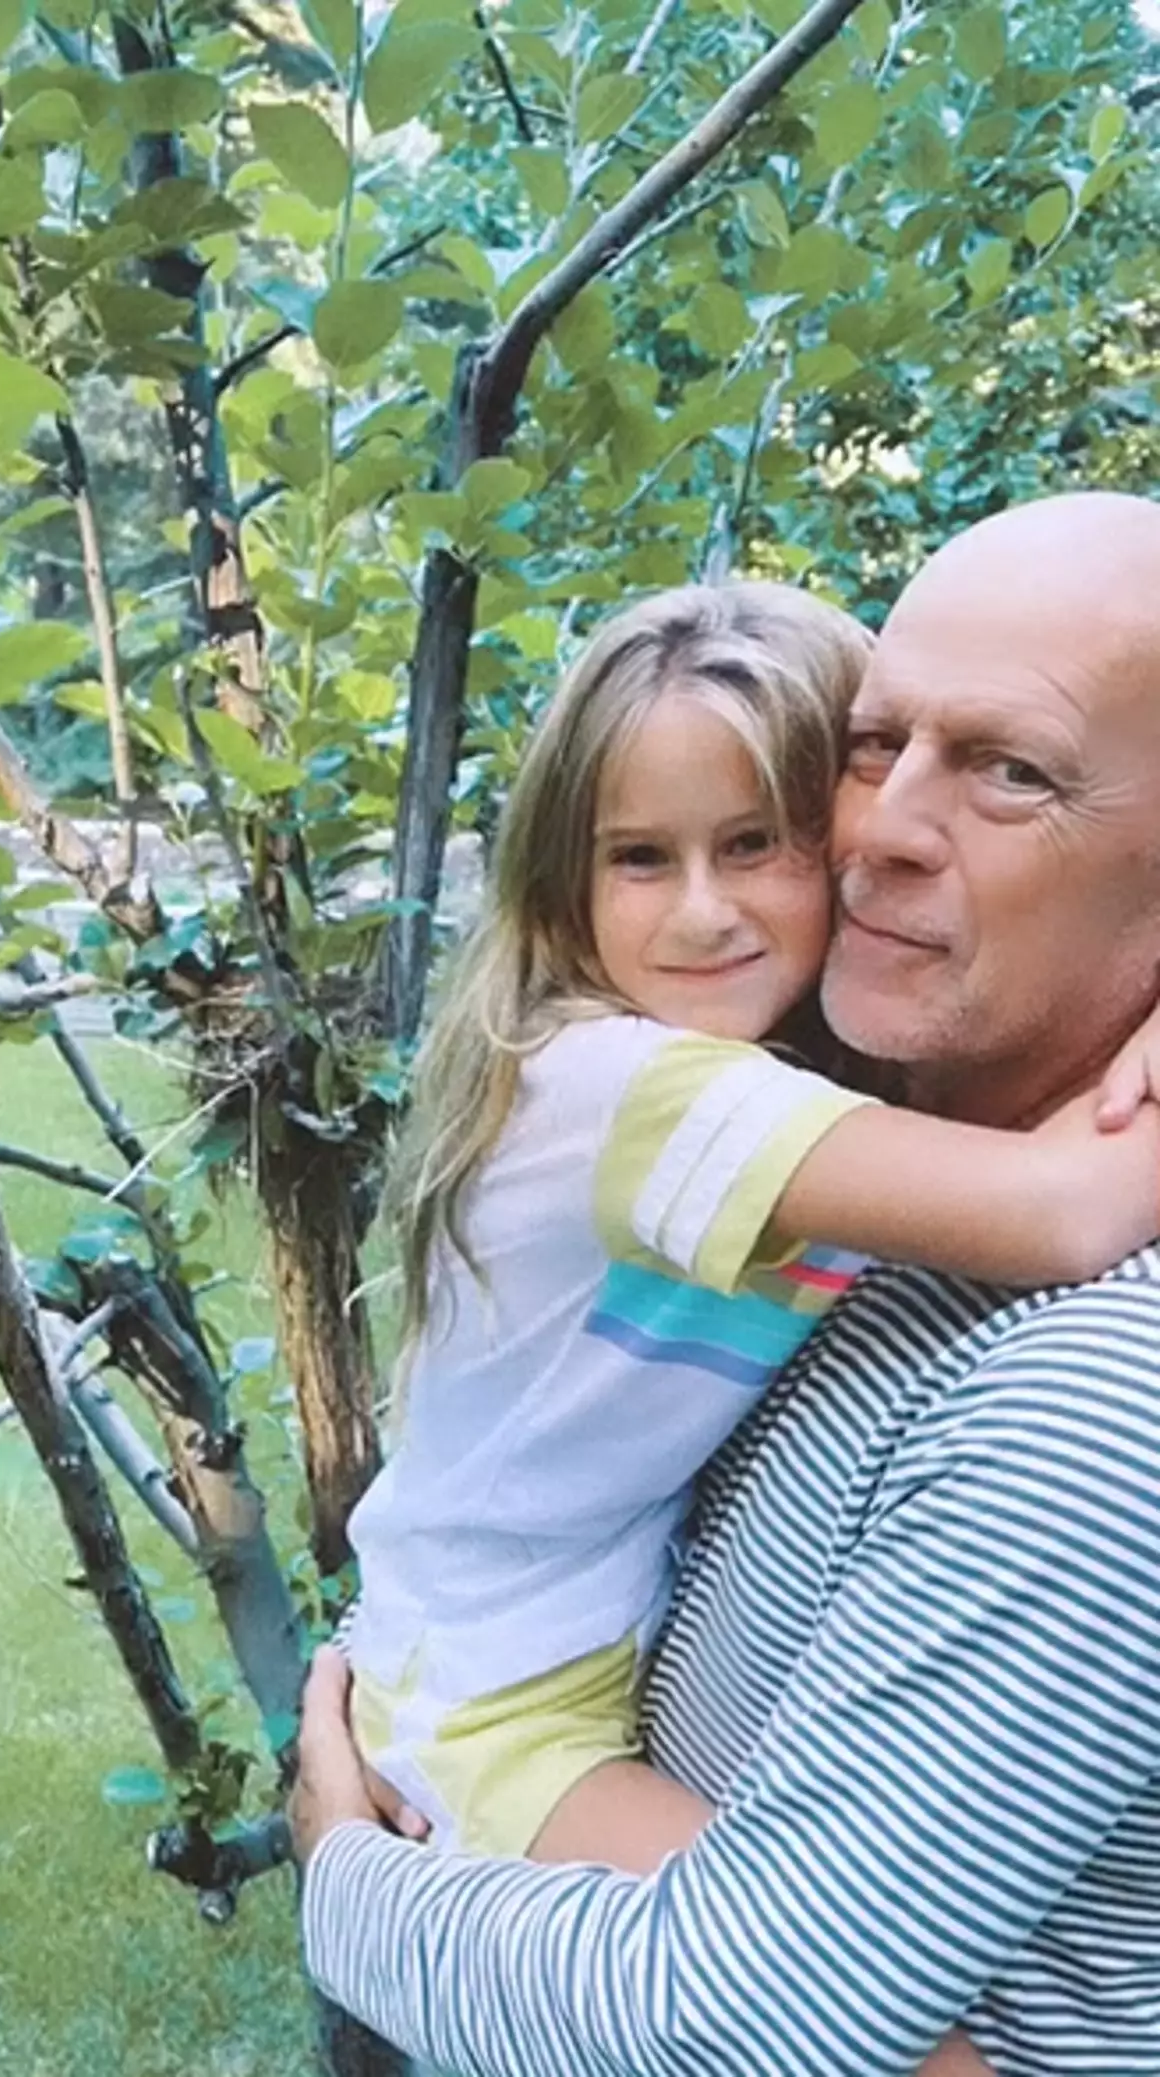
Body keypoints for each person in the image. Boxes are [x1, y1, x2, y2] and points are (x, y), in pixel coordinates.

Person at [293, 492, 1160, 2077]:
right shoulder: (839, 1124)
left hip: (502, 1773)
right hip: (497, 1709)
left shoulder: (1102, 1398)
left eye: (1010, 772)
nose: (883, 826)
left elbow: (749, 2027)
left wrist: (345, 1878)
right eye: (875, 746)